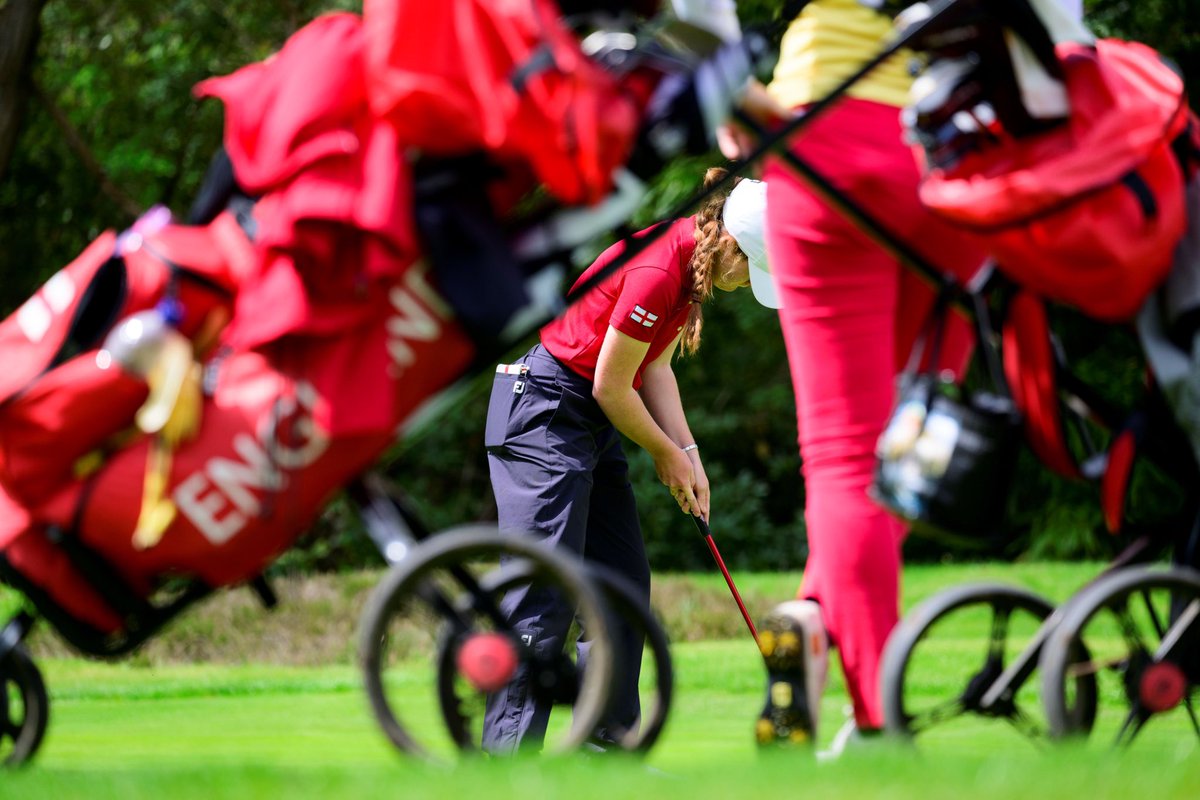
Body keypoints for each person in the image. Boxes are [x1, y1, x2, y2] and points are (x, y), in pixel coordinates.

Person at [718, 0, 990, 751]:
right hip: (954, 136)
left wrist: (728, 97)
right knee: (915, 427)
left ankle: (878, 719)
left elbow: (694, 24)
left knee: (845, 457)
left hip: (830, 124)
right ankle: (816, 612)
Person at [482, 168, 776, 753]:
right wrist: (665, 454)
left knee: (619, 586)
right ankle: (504, 762)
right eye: (752, 271)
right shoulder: (660, 268)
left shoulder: (690, 267)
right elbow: (612, 388)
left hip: (585, 420)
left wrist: (690, 455)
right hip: (543, 412)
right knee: (546, 592)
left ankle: (604, 753)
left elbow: (656, 370)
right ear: (732, 246)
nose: (747, 284)